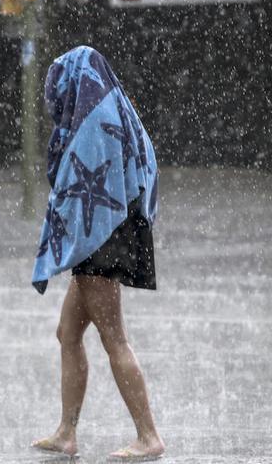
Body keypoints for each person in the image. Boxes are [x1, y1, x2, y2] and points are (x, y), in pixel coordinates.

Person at [30, 46, 165, 461]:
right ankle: (66, 432)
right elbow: (143, 171)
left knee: (114, 340)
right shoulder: (117, 110)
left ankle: (149, 436)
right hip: (111, 235)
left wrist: (66, 242)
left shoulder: (92, 123)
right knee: (67, 333)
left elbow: (77, 194)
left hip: (100, 242)